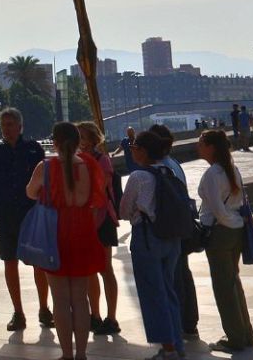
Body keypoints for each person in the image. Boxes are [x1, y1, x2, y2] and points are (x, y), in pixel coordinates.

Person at [27, 121, 104, 360]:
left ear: (55, 142)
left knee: (59, 299)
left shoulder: (46, 167)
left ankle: (67, 354)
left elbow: (30, 191)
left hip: (54, 233)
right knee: (80, 298)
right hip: (82, 230)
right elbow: (98, 197)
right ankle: (81, 353)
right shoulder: (89, 165)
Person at [0, 108, 51, 332]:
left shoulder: (33, 149)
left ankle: (44, 308)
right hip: (4, 216)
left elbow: (45, 184)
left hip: (30, 215)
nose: (6, 129)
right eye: (3, 125)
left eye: (10, 124)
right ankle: (18, 312)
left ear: (20, 126)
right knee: (9, 262)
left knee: (38, 262)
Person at [120, 131, 185, 360]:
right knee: (169, 290)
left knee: (153, 293)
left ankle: (167, 349)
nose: (132, 149)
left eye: (134, 145)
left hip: (147, 237)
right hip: (172, 237)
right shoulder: (168, 170)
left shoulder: (139, 176)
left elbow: (124, 209)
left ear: (143, 150)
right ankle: (177, 343)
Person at [197, 129, 253, 354]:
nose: (198, 146)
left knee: (223, 287)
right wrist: (233, 221)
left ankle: (234, 337)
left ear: (211, 147)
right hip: (236, 230)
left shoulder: (213, 173)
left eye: (202, 143)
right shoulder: (232, 168)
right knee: (233, 282)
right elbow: (238, 201)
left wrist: (224, 221)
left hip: (220, 232)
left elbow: (216, 208)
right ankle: (245, 332)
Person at [148, 124, 199, 339]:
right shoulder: (174, 164)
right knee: (183, 274)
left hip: (169, 230)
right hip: (181, 226)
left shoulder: (161, 169)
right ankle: (189, 322)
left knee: (174, 277)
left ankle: (178, 324)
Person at [77, 122, 121, 336]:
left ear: (93, 139)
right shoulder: (77, 160)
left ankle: (111, 317)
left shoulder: (102, 160)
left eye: (82, 137)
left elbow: (100, 189)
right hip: (85, 219)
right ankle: (94, 314)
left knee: (105, 268)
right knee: (89, 270)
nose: (80, 142)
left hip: (102, 219)